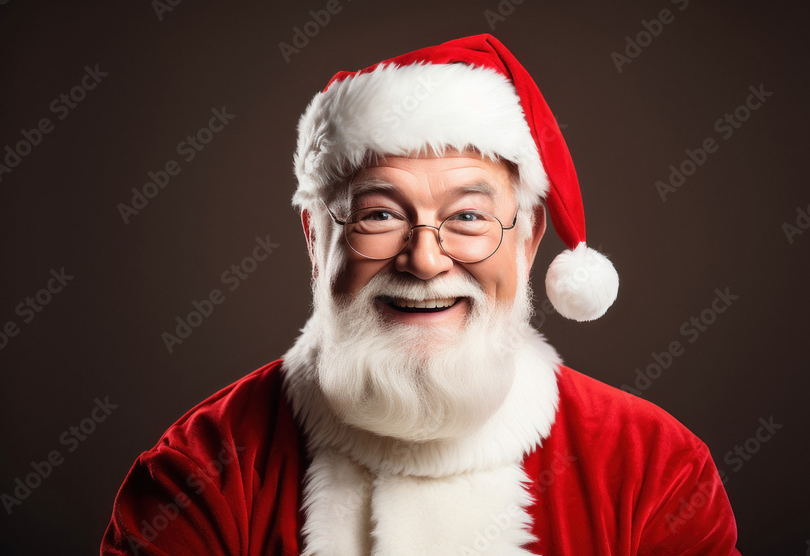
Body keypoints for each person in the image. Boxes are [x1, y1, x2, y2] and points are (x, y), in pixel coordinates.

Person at [101, 34, 741, 555]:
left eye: (467, 217)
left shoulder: (655, 469)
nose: (426, 260)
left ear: (528, 239)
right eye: (378, 216)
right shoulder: (202, 475)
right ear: (315, 237)